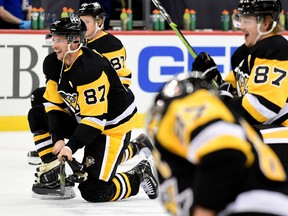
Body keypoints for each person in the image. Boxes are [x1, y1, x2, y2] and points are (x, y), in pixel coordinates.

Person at [31, 16, 158, 201]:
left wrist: (71, 147)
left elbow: (95, 121)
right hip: (86, 118)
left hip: (112, 125)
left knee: (95, 191)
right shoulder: (53, 63)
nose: (54, 44)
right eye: (54, 38)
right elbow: (54, 105)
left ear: (75, 41)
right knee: (37, 114)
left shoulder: (90, 69)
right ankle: (55, 177)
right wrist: (58, 139)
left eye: (59, 39)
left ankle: (139, 173)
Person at [146, 72, 288, 216]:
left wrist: (203, 211)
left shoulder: (191, 103)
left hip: (250, 208)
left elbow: (227, 155)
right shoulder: (233, 122)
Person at [27, 2, 149, 165]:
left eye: (86, 22)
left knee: (99, 164)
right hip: (84, 101)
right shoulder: (73, 45)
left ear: (99, 22)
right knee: (39, 99)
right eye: (80, 20)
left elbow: (121, 81)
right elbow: (57, 95)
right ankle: (52, 154)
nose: (81, 24)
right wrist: (57, 136)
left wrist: (90, 99)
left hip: (107, 107)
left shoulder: (110, 45)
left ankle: (135, 147)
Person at [192, 0, 288, 173]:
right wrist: (209, 79)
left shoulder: (276, 50)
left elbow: (260, 108)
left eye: (247, 20)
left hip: (283, 132)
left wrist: (222, 101)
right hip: (272, 131)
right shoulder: (244, 54)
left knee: (228, 143)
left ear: (265, 23)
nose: (240, 26)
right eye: (240, 19)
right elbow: (229, 89)